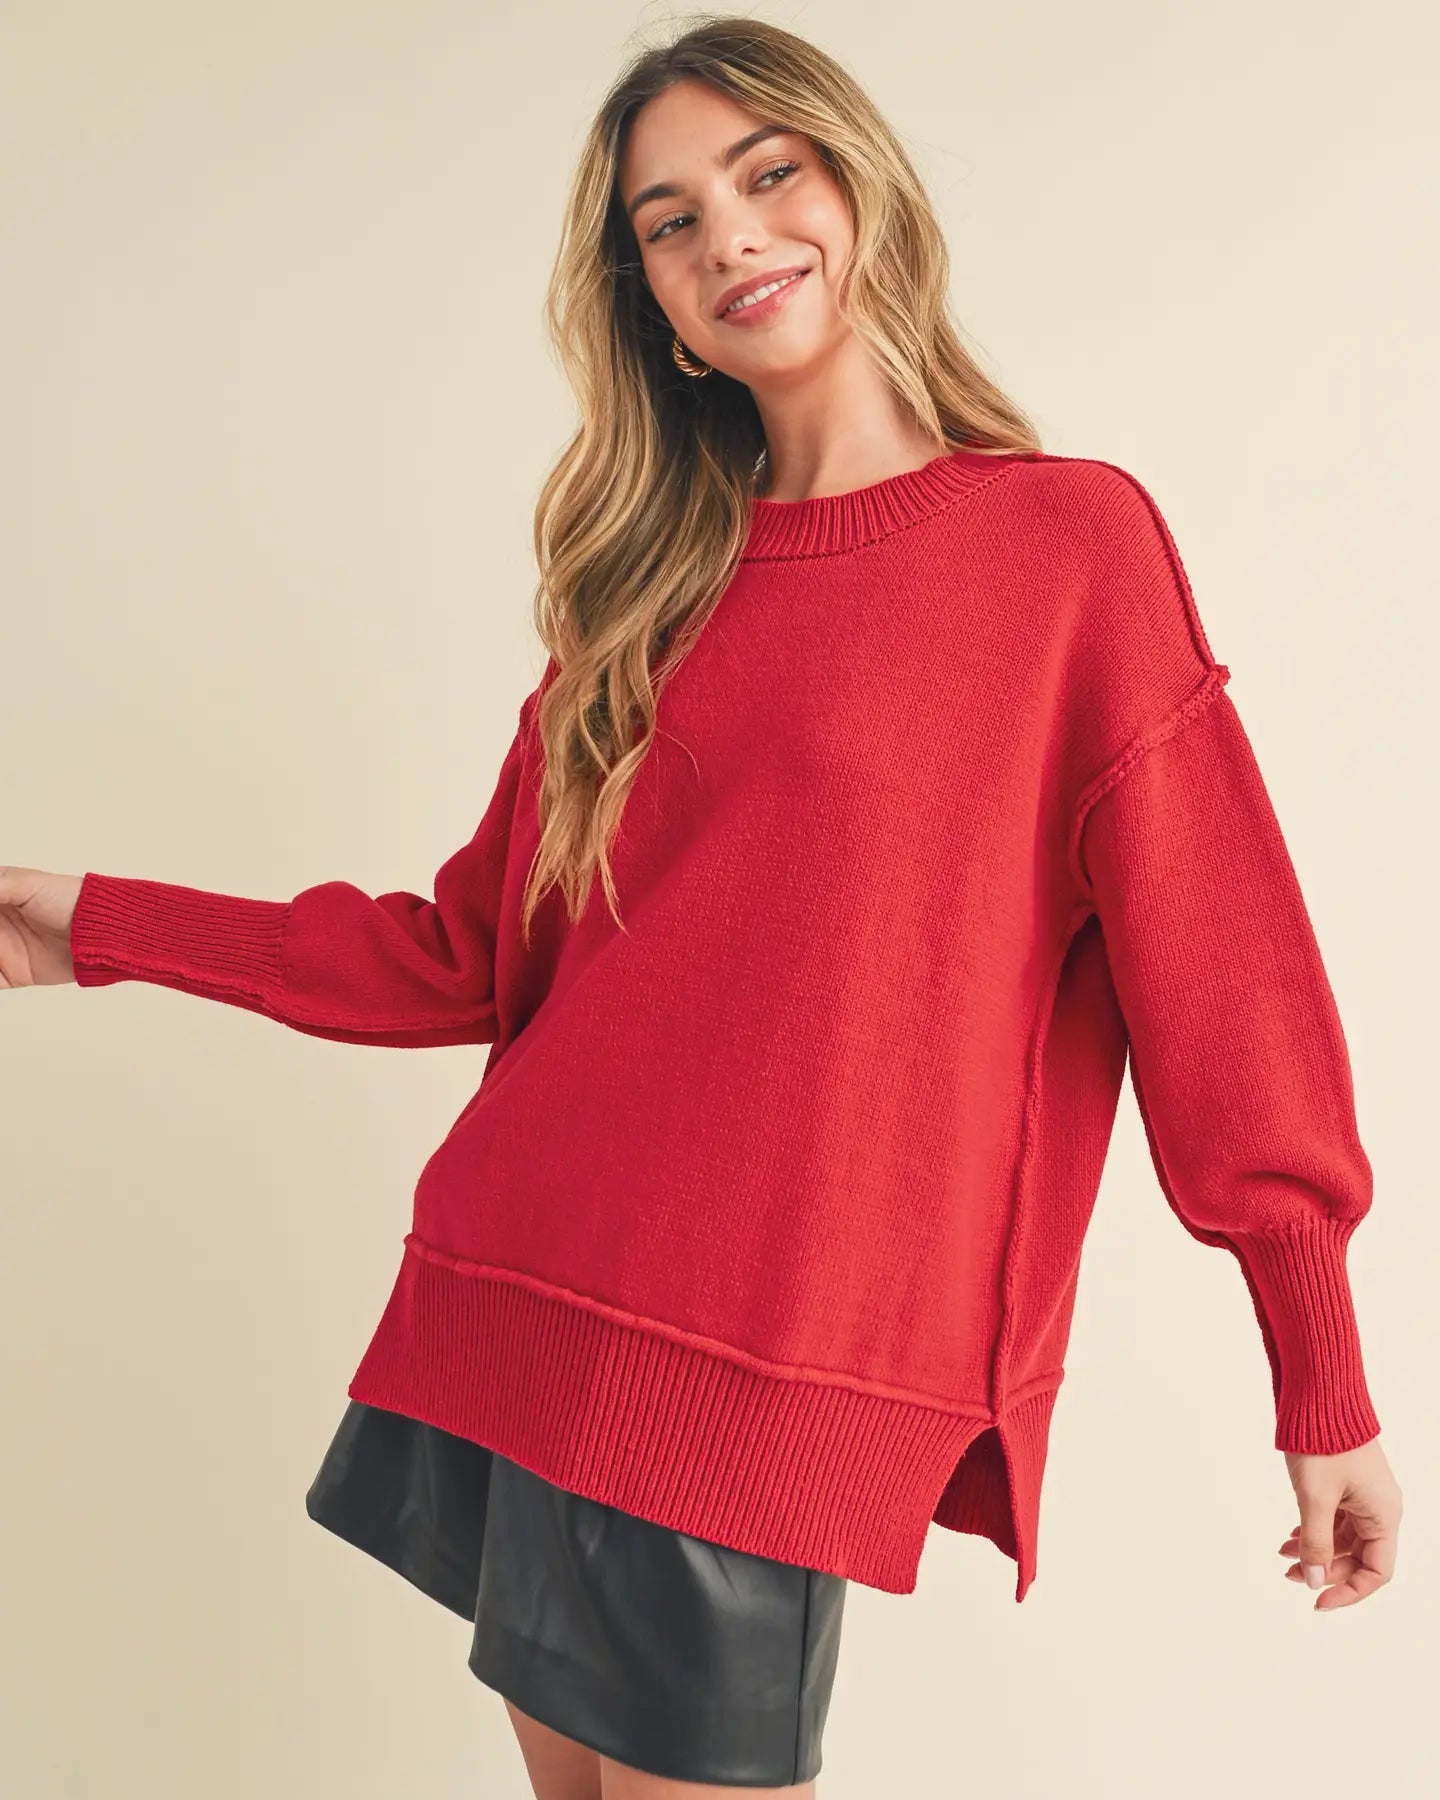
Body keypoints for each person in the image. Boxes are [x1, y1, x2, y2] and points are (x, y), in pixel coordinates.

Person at [1, 15, 1403, 1800]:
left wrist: (1319, 1379)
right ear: (652, 300)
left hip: (762, 1368)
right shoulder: (647, 595)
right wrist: (86, 924)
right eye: (669, 223)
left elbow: (1228, 986)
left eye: (767, 175)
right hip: (524, 1306)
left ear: (859, 189)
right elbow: (464, 952)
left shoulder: (1066, 551)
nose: (729, 236)